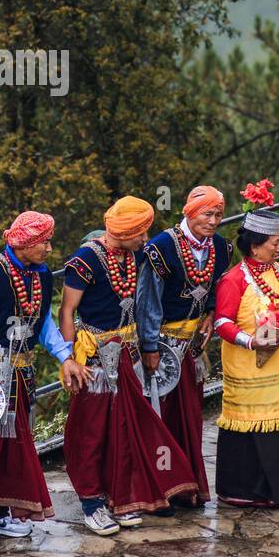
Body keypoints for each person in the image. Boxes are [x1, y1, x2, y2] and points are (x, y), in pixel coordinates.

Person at [60, 195, 198, 535]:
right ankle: (92, 503)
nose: (145, 239)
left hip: (128, 353)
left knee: (124, 426)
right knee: (92, 430)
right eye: (140, 232)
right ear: (125, 230)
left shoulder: (137, 256)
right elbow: (66, 312)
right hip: (93, 357)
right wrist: (66, 360)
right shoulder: (83, 262)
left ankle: (119, 498)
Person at [0, 210, 86, 547]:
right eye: (44, 242)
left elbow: (42, 325)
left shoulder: (41, 276)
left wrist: (65, 357)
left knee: (10, 447)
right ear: (25, 243)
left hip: (20, 376)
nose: (49, 249)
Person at [136, 185, 230, 506]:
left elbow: (217, 284)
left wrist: (212, 311)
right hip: (161, 346)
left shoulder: (220, 247)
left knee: (188, 415)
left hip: (191, 347)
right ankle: (159, 487)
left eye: (218, 214)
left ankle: (186, 485)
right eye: (207, 213)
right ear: (190, 212)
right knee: (158, 415)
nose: (214, 220)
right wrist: (149, 346)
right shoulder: (160, 248)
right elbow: (147, 301)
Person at [213, 205, 279, 507]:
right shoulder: (234, 280)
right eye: (274, 243)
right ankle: (244, 491)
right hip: (248, 369)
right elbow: (222, 322)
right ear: (255, 246)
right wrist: (251, 341)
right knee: (249, 426)